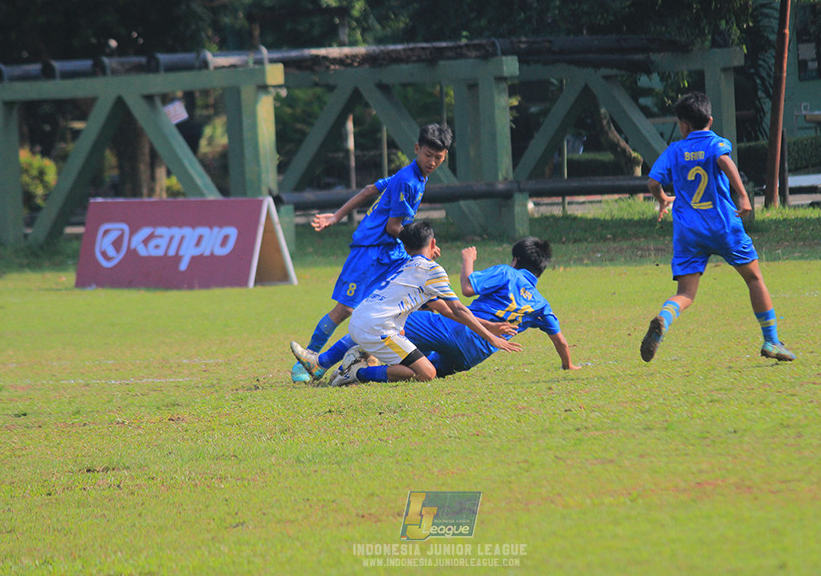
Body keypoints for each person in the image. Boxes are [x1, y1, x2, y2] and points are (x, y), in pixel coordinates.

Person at [290, 123, 452, 382]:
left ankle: (386, 356)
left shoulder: (415, 176)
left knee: (409, 302)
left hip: (392, 251)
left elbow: (369, 190)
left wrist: (337, 216)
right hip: (371, 250)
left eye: (438, 158)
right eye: (427, 155)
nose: (432, 162)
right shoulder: (408, 181)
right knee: (346, 309)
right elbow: (393, 226)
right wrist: (420, 247)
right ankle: (311, 360)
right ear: (416, 149)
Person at [641, 91, 795, 363]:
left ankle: (664, 318)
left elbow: (653, 182)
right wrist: (744, 195)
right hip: (723, 225)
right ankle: (771, 341)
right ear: (709, 120)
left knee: (686, 293)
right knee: (754, 278)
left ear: (684, 125)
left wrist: (663, 198)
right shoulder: (715, 143)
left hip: (689, 232)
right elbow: (724, 161)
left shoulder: (675, 150)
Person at [293, 237, 578, 380]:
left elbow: (468, 288)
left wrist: (468, 259)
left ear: (516, 259)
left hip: (454, 330)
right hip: (471, 356)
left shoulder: (507, 273)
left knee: (383, 321)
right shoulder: (541, 304)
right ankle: (357, 374)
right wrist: (568, 366)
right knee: (419, 372)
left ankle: (322, 363)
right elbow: (561, 341)